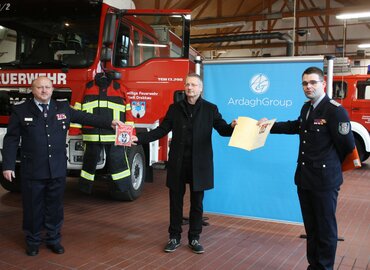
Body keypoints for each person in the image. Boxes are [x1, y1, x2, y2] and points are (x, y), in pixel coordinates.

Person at [2, 76, 123, 256]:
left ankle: (53, 239)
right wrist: (8, 165)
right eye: (40, 87)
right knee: (33, 208)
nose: (44, 90)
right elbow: (11, 139)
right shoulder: (21, 110)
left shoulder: (63, 107)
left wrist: (110, 122)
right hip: (33, 169)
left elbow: (85, 117)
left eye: (47, 87)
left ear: (52, 89)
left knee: (55, 207)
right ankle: (33, 241)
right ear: (32, 90)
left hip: (57, 168)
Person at [259, 67, 355, 270]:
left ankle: (324, 267)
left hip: (324, 181)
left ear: (323, 83)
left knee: (326, 229)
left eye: (312, 82)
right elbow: (296, 126)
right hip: (305, 179)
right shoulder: (307, 108)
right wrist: (269, 125)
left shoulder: (335, 111)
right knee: (312, 228)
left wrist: (329, 166)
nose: (308, 86)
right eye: (305, 83)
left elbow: (347, 146)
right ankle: (314, 265)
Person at [132, 73, 237, 254]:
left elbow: (223, 129)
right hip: (178, 163)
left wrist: (233, 127)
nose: (190, 88)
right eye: (187, 84)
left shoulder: (211, 109)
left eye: (194, 85)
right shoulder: (174, 108)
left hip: (200, 165)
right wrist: (139, 139)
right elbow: (161, 130)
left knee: (197, 204)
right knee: (175, 203)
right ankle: (174, 237)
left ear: (201, 88)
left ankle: (194, 238)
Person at [78, 72, 133, 198]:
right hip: (92, 134)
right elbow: (77, 108)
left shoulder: (120, 89)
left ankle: (123, 188)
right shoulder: (87, 87)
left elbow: (128, 113)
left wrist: (130, 134)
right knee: (89, 162)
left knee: (118, 161)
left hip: (114, 135)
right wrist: (74, 130)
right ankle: (85, 188)